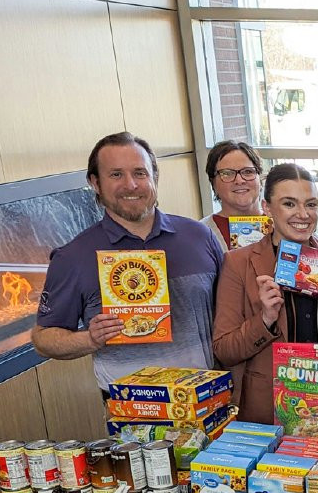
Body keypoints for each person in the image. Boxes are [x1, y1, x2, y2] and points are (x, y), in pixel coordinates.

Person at [33, 132, 223, 391]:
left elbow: (230, 313)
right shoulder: (73, 257)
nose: (131, 185)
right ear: (95, 183)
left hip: (207, 400)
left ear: (155, 177)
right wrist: (90, 339)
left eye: (140, 173)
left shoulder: (199, 237)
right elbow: (43, 339)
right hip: (130, 415)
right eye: (116, 175)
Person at [213, 164, 318, 424]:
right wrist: (265, 319)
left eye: (311, 204)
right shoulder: (239, 263)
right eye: (289, 204)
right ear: (267, 207)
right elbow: (224, 350)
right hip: (268, 413)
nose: (303, 214)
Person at [200, 140, 264, 252]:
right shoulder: (200, 232)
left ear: (260, 178)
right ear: (213, 183)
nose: (239, 180)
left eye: (248, 172)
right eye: (227, 173)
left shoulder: (282, 226)